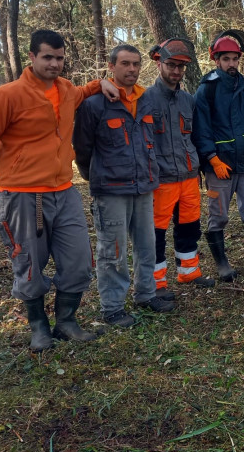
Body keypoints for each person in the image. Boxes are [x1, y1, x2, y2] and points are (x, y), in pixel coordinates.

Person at [0, 29, 119, 352]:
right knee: (30, 264)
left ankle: (66, 322)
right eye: (48, 57)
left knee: (78, 261)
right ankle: (39, 329)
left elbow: (81, 92)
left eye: (60, 58)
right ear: (31, 57)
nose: (55, 64)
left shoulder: (65, 91)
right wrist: (5, 169)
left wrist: (100, 83)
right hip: (22, 196)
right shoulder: (7, 96)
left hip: (64, 191)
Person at [73, 45, 175, 328]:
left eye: (136, 64)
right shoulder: (94, 105)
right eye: (125, 64)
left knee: (147, 245)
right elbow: (82, 147)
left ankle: (146, 294)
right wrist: (94, 176)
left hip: (144, 186)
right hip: (111, 190)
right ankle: (113, 307)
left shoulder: (146, 101)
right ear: (111, 67)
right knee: (112, 250)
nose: (131, 69)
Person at [193, 30, 244, 276]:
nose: (231, 63)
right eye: (226, 59)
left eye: (235, 58)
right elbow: (201, 129)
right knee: (217, 216)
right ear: (216, 60)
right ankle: (222, 265)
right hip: (220, 167)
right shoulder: (206, 90)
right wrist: (212, 159)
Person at [146, 38, 216, 298]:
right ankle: (156, 283)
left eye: (181, 66)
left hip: (188, 175)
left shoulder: (188, 100)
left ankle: (189, 272)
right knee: (156, 233)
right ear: (159, 63)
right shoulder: (145, 99)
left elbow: (197, 136)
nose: (176, 71)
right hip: (161, 178)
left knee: (189, 226)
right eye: (171, 65)